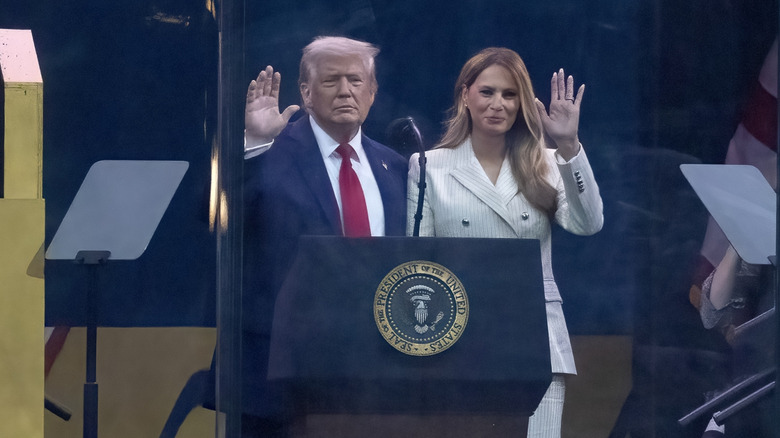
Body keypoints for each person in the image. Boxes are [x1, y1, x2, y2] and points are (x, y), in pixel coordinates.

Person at [406, 47, 603, 437]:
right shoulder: (429, 165)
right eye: (488, 92)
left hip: (537, 341)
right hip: (459, 340)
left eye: (509, 95)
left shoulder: (547, 162)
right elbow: (418, 264)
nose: (498, 104)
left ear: (523, 102)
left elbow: (588, 224)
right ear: (466, 95)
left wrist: (568, 146)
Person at [241, 36, 408, 436]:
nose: (346, 90)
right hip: (287, 373)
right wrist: (255, 144)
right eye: (332, 80)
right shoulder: (272, 152)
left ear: (372, 93)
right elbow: (224, 221)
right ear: (306, 92)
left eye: (355, 80)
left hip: (378, 369)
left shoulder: (396, 167)